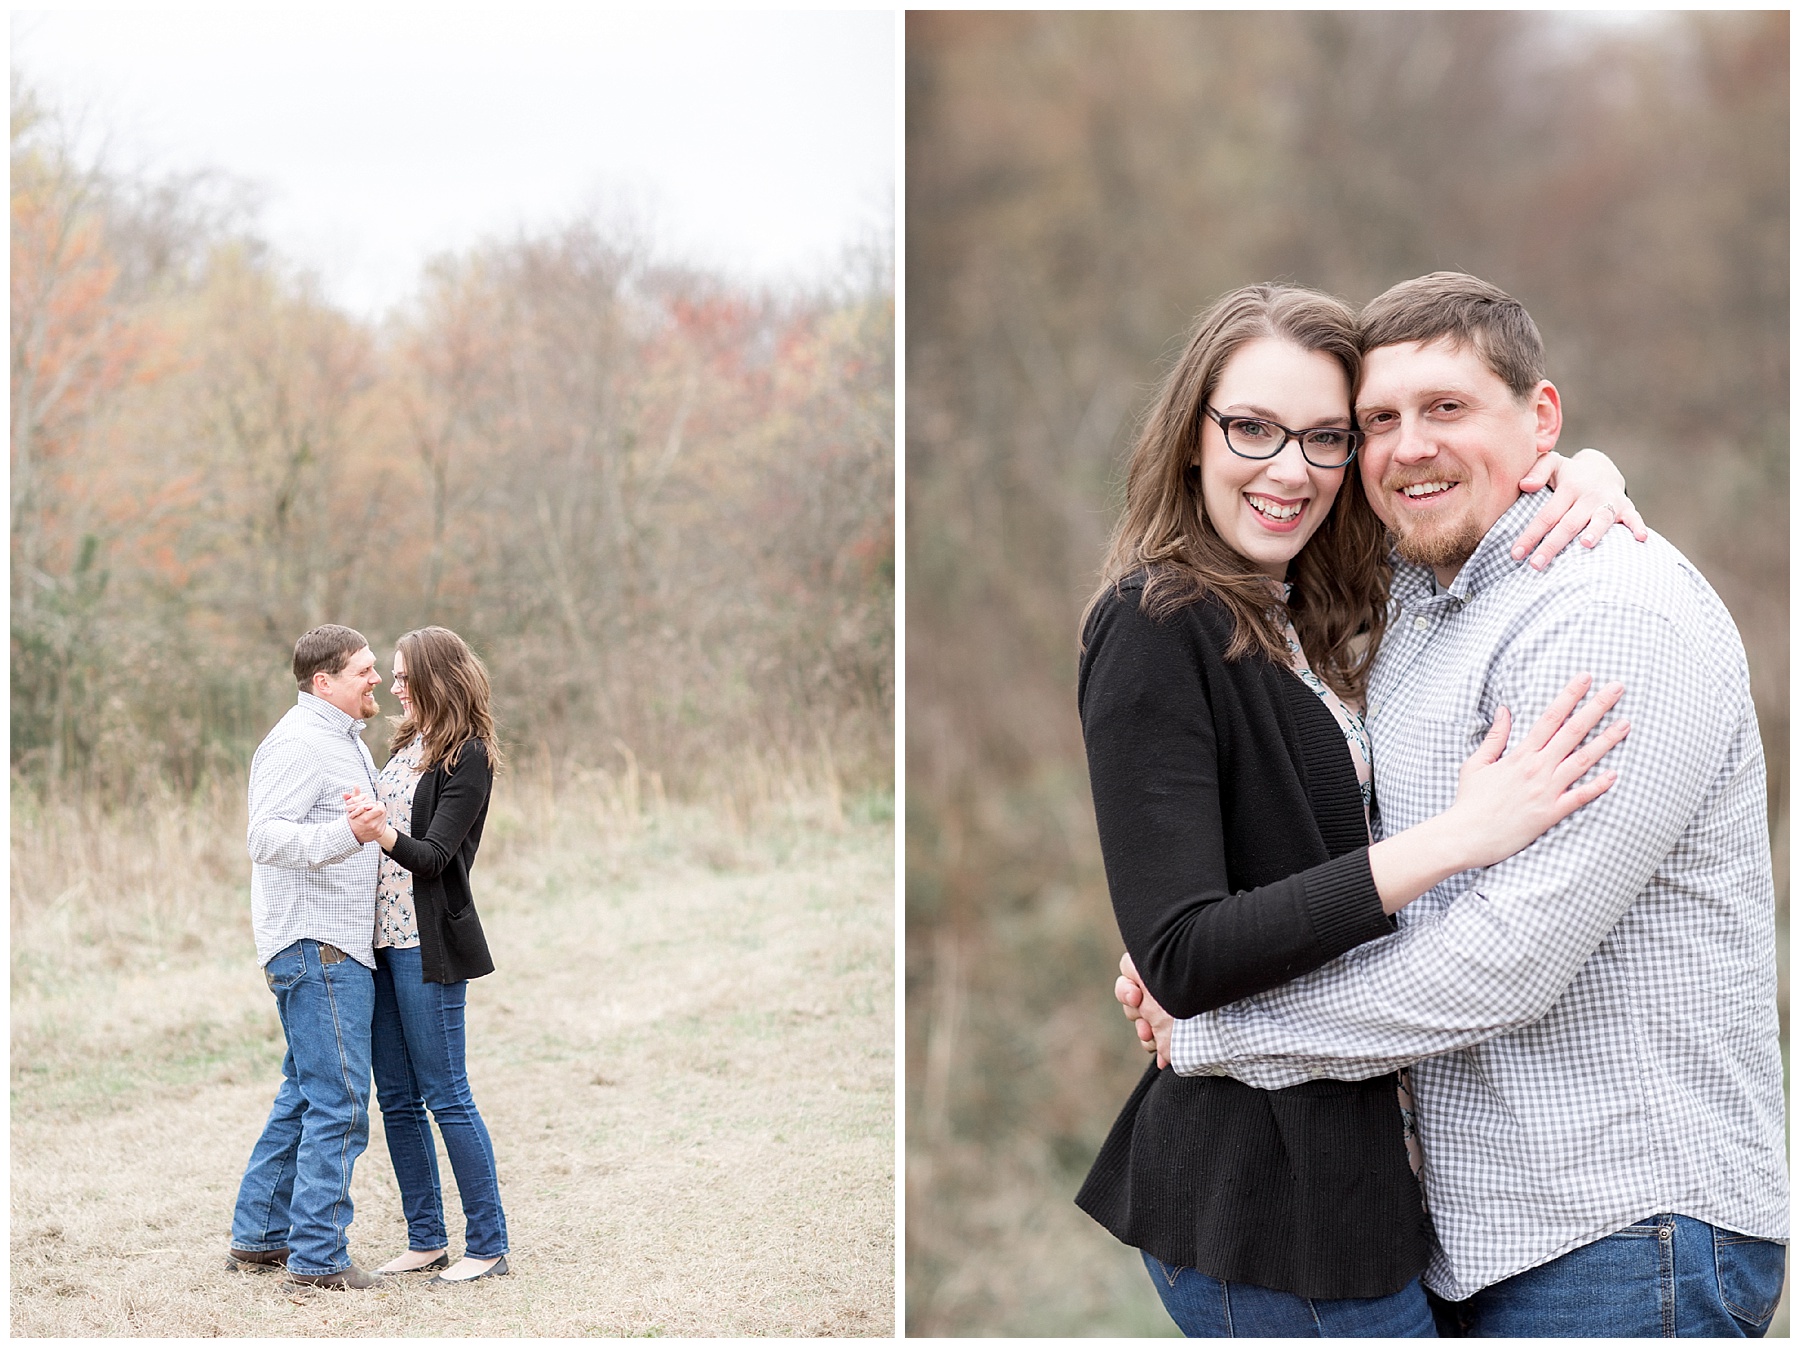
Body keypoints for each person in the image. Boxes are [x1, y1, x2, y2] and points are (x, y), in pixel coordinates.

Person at [1122, 273, 1787, 1337]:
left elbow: (1503, 961)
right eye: (1377, 422)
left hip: (1626, 1227)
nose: (1407, 446)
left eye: (1447, 408)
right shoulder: (1424, 596)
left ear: (1543, 418)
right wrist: (1198, 949)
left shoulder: (1612, 614)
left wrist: (1216, 1031)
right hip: (1483, 1229)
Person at [346, 625, 511, 1285]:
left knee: (446, 1094)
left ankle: (490, 1245)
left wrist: (380, 831)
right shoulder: (404, 744)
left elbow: (436, 857)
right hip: (378, 946)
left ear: (434, 678)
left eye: (402, 673)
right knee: (397, 1097)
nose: (391, 684)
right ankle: (425, 1240)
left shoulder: (467, 756)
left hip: (427, 946)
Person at [228, 625, 391, 1290]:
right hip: (317, 944)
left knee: (304, 1095)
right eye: (363, 670)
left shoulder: (339, 740)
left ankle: (261, 1235)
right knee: (340, 1101)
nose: (375, 678)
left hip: (331, 944)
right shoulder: (299, 742)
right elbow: (263, 838)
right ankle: (319, 1257)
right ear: (323, 682)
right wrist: (346, 834)